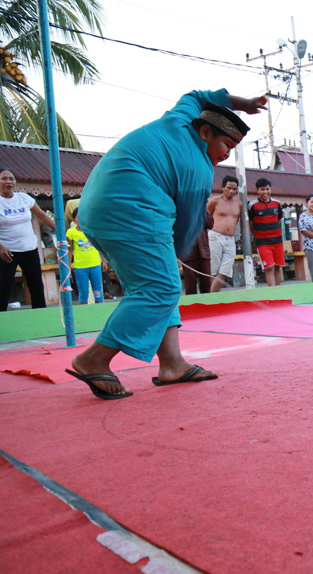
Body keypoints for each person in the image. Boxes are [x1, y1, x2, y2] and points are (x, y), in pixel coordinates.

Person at [68, 89, 265, 400]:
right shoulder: (198, 168)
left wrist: (243, 104)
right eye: (226, 144)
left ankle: (172, 364)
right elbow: (186, 230)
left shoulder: (182, 115)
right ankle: (95, 358)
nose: (228, 153)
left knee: (158, 283)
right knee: (161, 286)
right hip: (130, 207)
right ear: (205, 132)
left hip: (95, 207)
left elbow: (198, 94)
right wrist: (176, 253)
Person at [0, 167, 56, 311]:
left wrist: (62, 233)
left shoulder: (24, 198)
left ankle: (41, 317)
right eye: (4, 179)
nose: (8, 182)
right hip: (6, 252)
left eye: (11, 179)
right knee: (4, 286)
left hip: (29, 249)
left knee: (36, 285)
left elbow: (43, 216)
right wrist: (0, 246)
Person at [206, 175, 242, 292]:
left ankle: (212, 295)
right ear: (223, 187)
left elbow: (237, 221)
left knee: (225, 270)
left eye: (234, 189)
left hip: (231, 239)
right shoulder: (215, 201)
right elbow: (205, 217)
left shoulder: (239, 204)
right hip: (215, 236)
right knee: (213, 269)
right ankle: (213, 297)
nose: (231, 191)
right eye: (229, 188)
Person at [65, 207, 106, 304]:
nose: (80, 219)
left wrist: (104, 261)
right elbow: (70, 250)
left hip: (95, 264)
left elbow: (99, 246)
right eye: (78, 217)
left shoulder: (92, 230)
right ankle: (83, 311)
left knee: (98, 291)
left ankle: (99, 311)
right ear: (74, 220)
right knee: (83, 292)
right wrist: (68, 266)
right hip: (80, 266)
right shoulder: (71, 233)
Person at [248, 178, 284, 286]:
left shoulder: (277, 203)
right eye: (262, 189)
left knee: (278, 267)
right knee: (269, 268)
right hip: (263, 243)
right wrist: (258, 236)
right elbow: (251, 224)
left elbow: (278, 220)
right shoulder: (252, 205)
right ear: (257, 190)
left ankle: (279, 294)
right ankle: (272, 295)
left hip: (277, 241)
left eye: (267, 189)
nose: (265, 192)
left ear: (270, 189)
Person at [181, 210, 213, 295]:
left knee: (206, 283)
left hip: (203, 250)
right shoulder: (181, 209)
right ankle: (192, 307)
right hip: (187, 252)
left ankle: (207, 305)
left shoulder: (202, 208)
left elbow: (210, 224)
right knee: (190, 285)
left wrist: (201, 207)